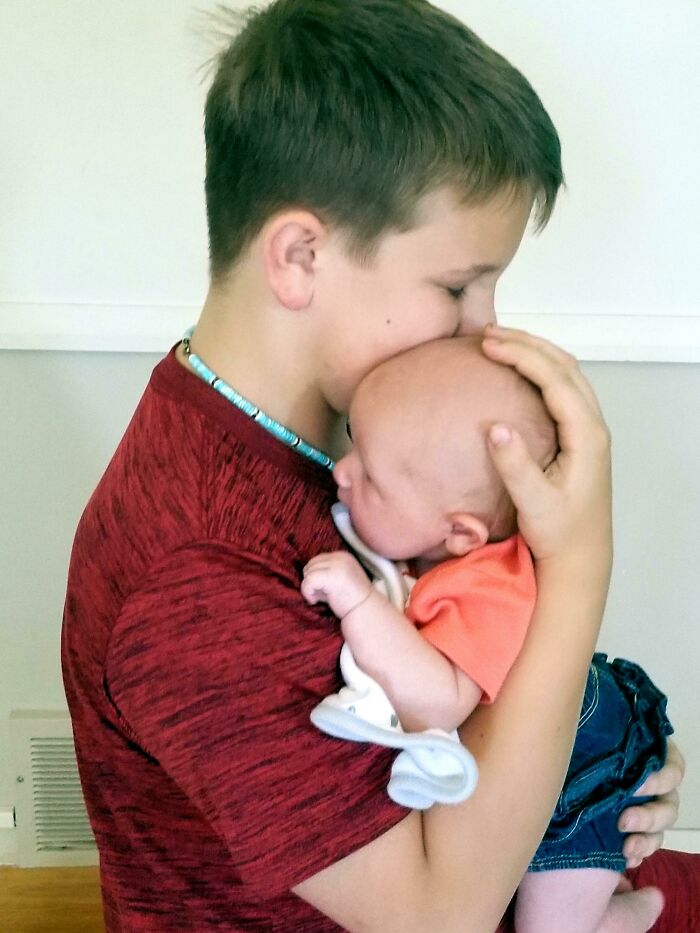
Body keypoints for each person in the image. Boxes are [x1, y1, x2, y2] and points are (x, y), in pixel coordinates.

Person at [60, 1, 693, 930]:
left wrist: (593, 771)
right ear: (301, 256)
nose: (485, 329)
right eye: (457, 286)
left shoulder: (333, 442)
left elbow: (461, 668)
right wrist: (580, 565)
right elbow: (441, 917)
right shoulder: (199, 577)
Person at [301, 336, 674, 932]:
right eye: (353, 442)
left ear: (462, 535)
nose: (341, 471)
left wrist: (360, 604)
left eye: (370, 479)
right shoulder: (428, 545)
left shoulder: (483, 588)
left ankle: (630, 914)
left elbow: (441, 698)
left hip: (587, 766)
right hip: (552, 733)